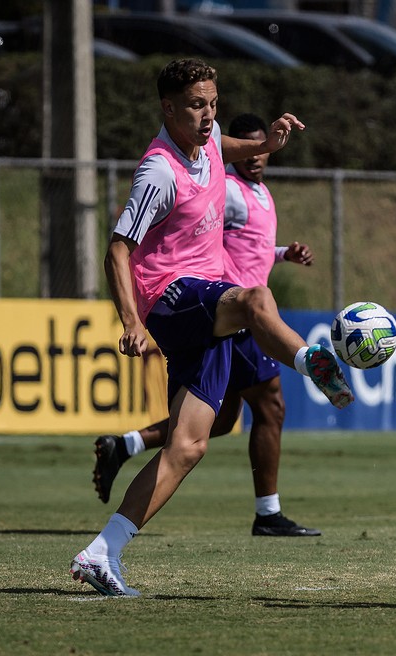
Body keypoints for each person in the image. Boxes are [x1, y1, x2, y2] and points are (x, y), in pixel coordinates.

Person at [70, 59, 354, 597]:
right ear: (168, 108)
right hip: (169, 297)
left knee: (189, 445)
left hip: (205, 312)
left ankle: (100, 553)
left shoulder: (210, 143)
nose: (208, 116)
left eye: (213, 104)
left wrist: (268, 141)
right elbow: (117, 251)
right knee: (254, 298)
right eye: (197, 106)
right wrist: (130, 320)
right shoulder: (159, 169)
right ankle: (312, 362)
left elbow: (229, 148)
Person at [93, 114, 321, 538]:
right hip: (224, 308)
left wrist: (282, 254)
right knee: (269, 406)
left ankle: (126, 455)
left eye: (213, 103)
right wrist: (131, 318)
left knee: (205, 429)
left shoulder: (259, 192)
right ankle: (269, 509)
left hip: (221, 307)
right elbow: (126, 248)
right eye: (249, 147)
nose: (255, 155)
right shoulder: (216, 183)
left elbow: (245, 248)